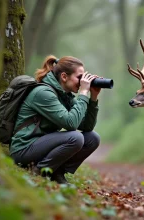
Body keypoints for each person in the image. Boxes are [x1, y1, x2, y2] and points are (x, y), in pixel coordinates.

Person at [10, 55, 101, 184]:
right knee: (75, 138)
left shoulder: (65, 96)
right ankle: (39, 171)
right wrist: (83, 93)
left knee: (92, 138)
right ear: (64, 77)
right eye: (79, 78)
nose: (82, 82)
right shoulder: (43, 93)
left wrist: (93, 97)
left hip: (41, 145)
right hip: (24, 148)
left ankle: (56, 172)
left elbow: (87, 127)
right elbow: (71, 123)